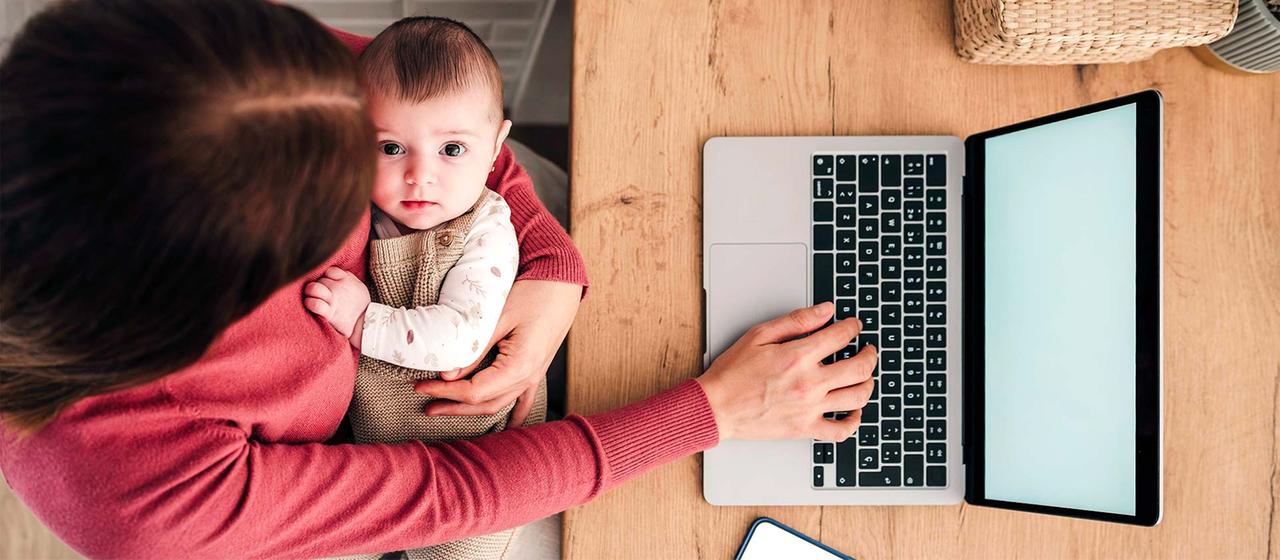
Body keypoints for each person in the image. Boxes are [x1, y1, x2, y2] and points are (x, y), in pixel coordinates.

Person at [0, 1, 878, 558]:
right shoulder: (135, 496)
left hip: (477, 258)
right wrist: (716, 412)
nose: (377, 188)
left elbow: (440, 124)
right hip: (409, 461)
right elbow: (453, 490)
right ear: (204, 317)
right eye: (333, 211)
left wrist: (552, 268)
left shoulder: (215, 71)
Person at [305, 16, 545, 560]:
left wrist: (365, 321)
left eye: (452, 150)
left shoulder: (486, 230)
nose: (419, 174)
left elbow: (461, 339)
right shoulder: (369, 205)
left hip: (468, 440)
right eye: (390, 148)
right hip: (378, 438)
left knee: (464, 546)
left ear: (496, 148)